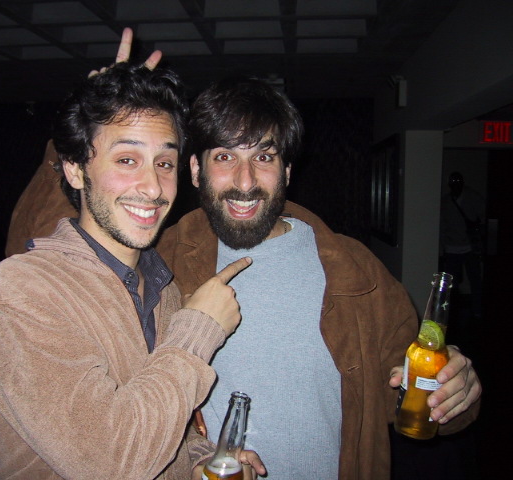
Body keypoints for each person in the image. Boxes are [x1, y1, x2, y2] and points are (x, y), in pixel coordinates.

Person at [155, 77, 482, 479]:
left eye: (264, 157)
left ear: (287, 171)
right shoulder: (160, 262)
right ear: (195, 170)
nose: (245, 182)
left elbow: (408, 403)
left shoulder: (355, 270)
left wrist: (454, 393)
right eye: (224, 157)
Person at [0, 57, 264, 479]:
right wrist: (198, 331)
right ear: (75, 169)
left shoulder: (163, 287)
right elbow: (110, 461)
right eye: (126, 160)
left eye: (164, 163)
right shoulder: (20, 289)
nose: (153, 187)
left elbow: (166, 427)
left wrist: (200, 461)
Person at [440, 171, 485, 321]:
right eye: (453, 182)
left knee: (475, 280)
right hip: (451, 247)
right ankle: (451, 313)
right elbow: (442, 225)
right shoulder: (445, 201)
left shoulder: (473, 197)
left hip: (469, 246)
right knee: (451, 283)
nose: (456, 185)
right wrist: (443, 247)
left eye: (458, 182)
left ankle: (477, 310)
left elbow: (483, 217)